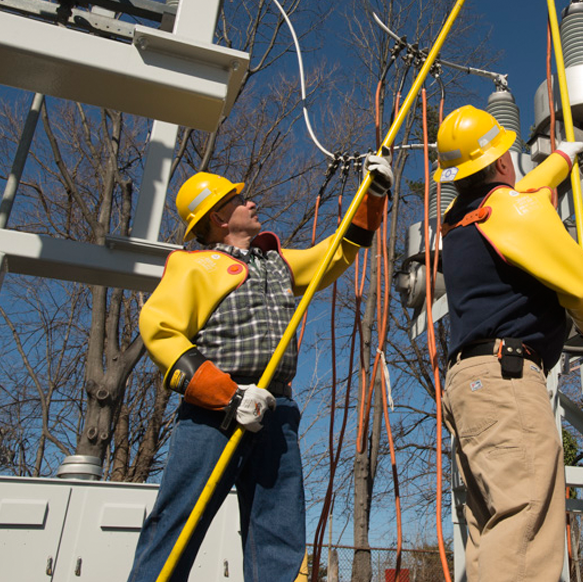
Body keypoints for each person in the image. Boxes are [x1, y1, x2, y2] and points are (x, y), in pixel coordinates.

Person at [127, 156, 392, 582]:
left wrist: (373, 194)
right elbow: (160, 331)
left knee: (279, 531)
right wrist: (227, 394)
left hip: (276, 410)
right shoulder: (193, 266)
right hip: (213, 414)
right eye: (240, 199)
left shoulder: (280, 263)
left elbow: (338, 249)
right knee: (178, 521)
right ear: (218, 217)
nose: (252, 202)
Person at [435, 105, 583, 581]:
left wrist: (563, 160)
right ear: (503, 163)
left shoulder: (461, 222)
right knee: (525, 524)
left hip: (470, 387)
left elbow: (523, 192)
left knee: (493, 529)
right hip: (508, 383)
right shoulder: (511, 209)